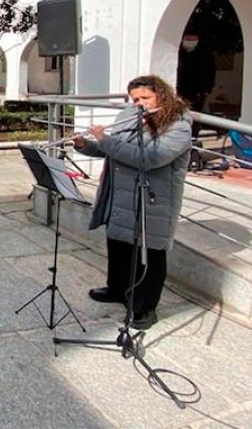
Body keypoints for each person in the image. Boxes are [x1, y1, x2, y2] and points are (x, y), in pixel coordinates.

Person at [74, 74, 192, 330]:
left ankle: (144, 308)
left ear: (161, 94)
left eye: (145, 98)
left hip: (153, 199)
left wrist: (106, 141)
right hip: (121, 192)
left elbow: (150, 158)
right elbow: (114, 150)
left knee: (149, 253)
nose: (139, 103)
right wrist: (87, 145)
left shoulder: (178, 125)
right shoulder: (130, 116)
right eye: (135, 99)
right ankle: (117, 290)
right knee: (119, 245)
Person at [176, 32, 216, 138]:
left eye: (193, 39)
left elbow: (210, 72)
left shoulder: (204, 54)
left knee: (194, 116)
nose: (190, 42)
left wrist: (207, 89)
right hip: (179, 90)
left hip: (197, 92)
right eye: (188, 39)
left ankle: (192, 137)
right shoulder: (176, 52)